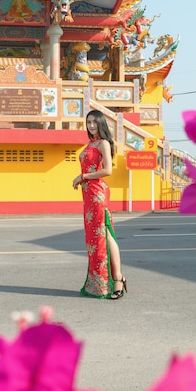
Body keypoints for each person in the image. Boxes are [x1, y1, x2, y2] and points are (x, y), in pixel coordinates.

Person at [73, 109, 127, 300]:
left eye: (95, 122)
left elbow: (108, 170)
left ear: (101, 123)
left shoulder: (103, 143)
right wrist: (82, 180)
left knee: (105, 233)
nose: (91, 125)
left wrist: (83, 177)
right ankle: (99, 282)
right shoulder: (91, 143)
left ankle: (118, 279)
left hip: (97, 193)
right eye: (88, 122)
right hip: (88, 195)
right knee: (94, 239)